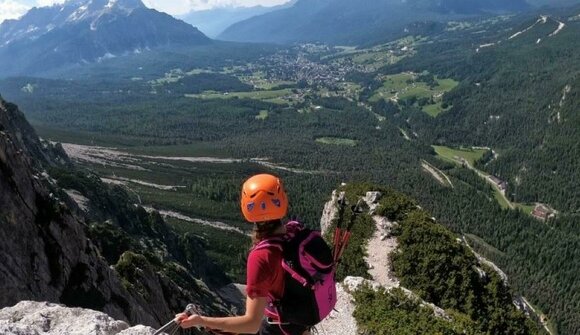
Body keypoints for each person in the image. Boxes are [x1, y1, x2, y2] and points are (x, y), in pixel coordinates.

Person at [176, 174, 311, 335]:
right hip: (302, 323)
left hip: (281, 329)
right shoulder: (296, 232)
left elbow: (251, 324)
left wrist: (201, 321)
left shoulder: (262, 256)